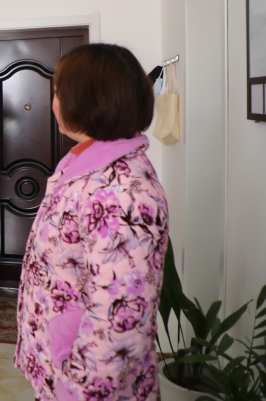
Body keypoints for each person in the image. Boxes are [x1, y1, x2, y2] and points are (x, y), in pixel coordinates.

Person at [14, 44, 169, 401]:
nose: (53, 103)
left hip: (86, 387)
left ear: (88, 100)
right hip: (62, 365)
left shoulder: (123, 193)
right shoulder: (86, 164)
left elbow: (119, 321)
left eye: (58, 93)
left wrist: (75, 391)